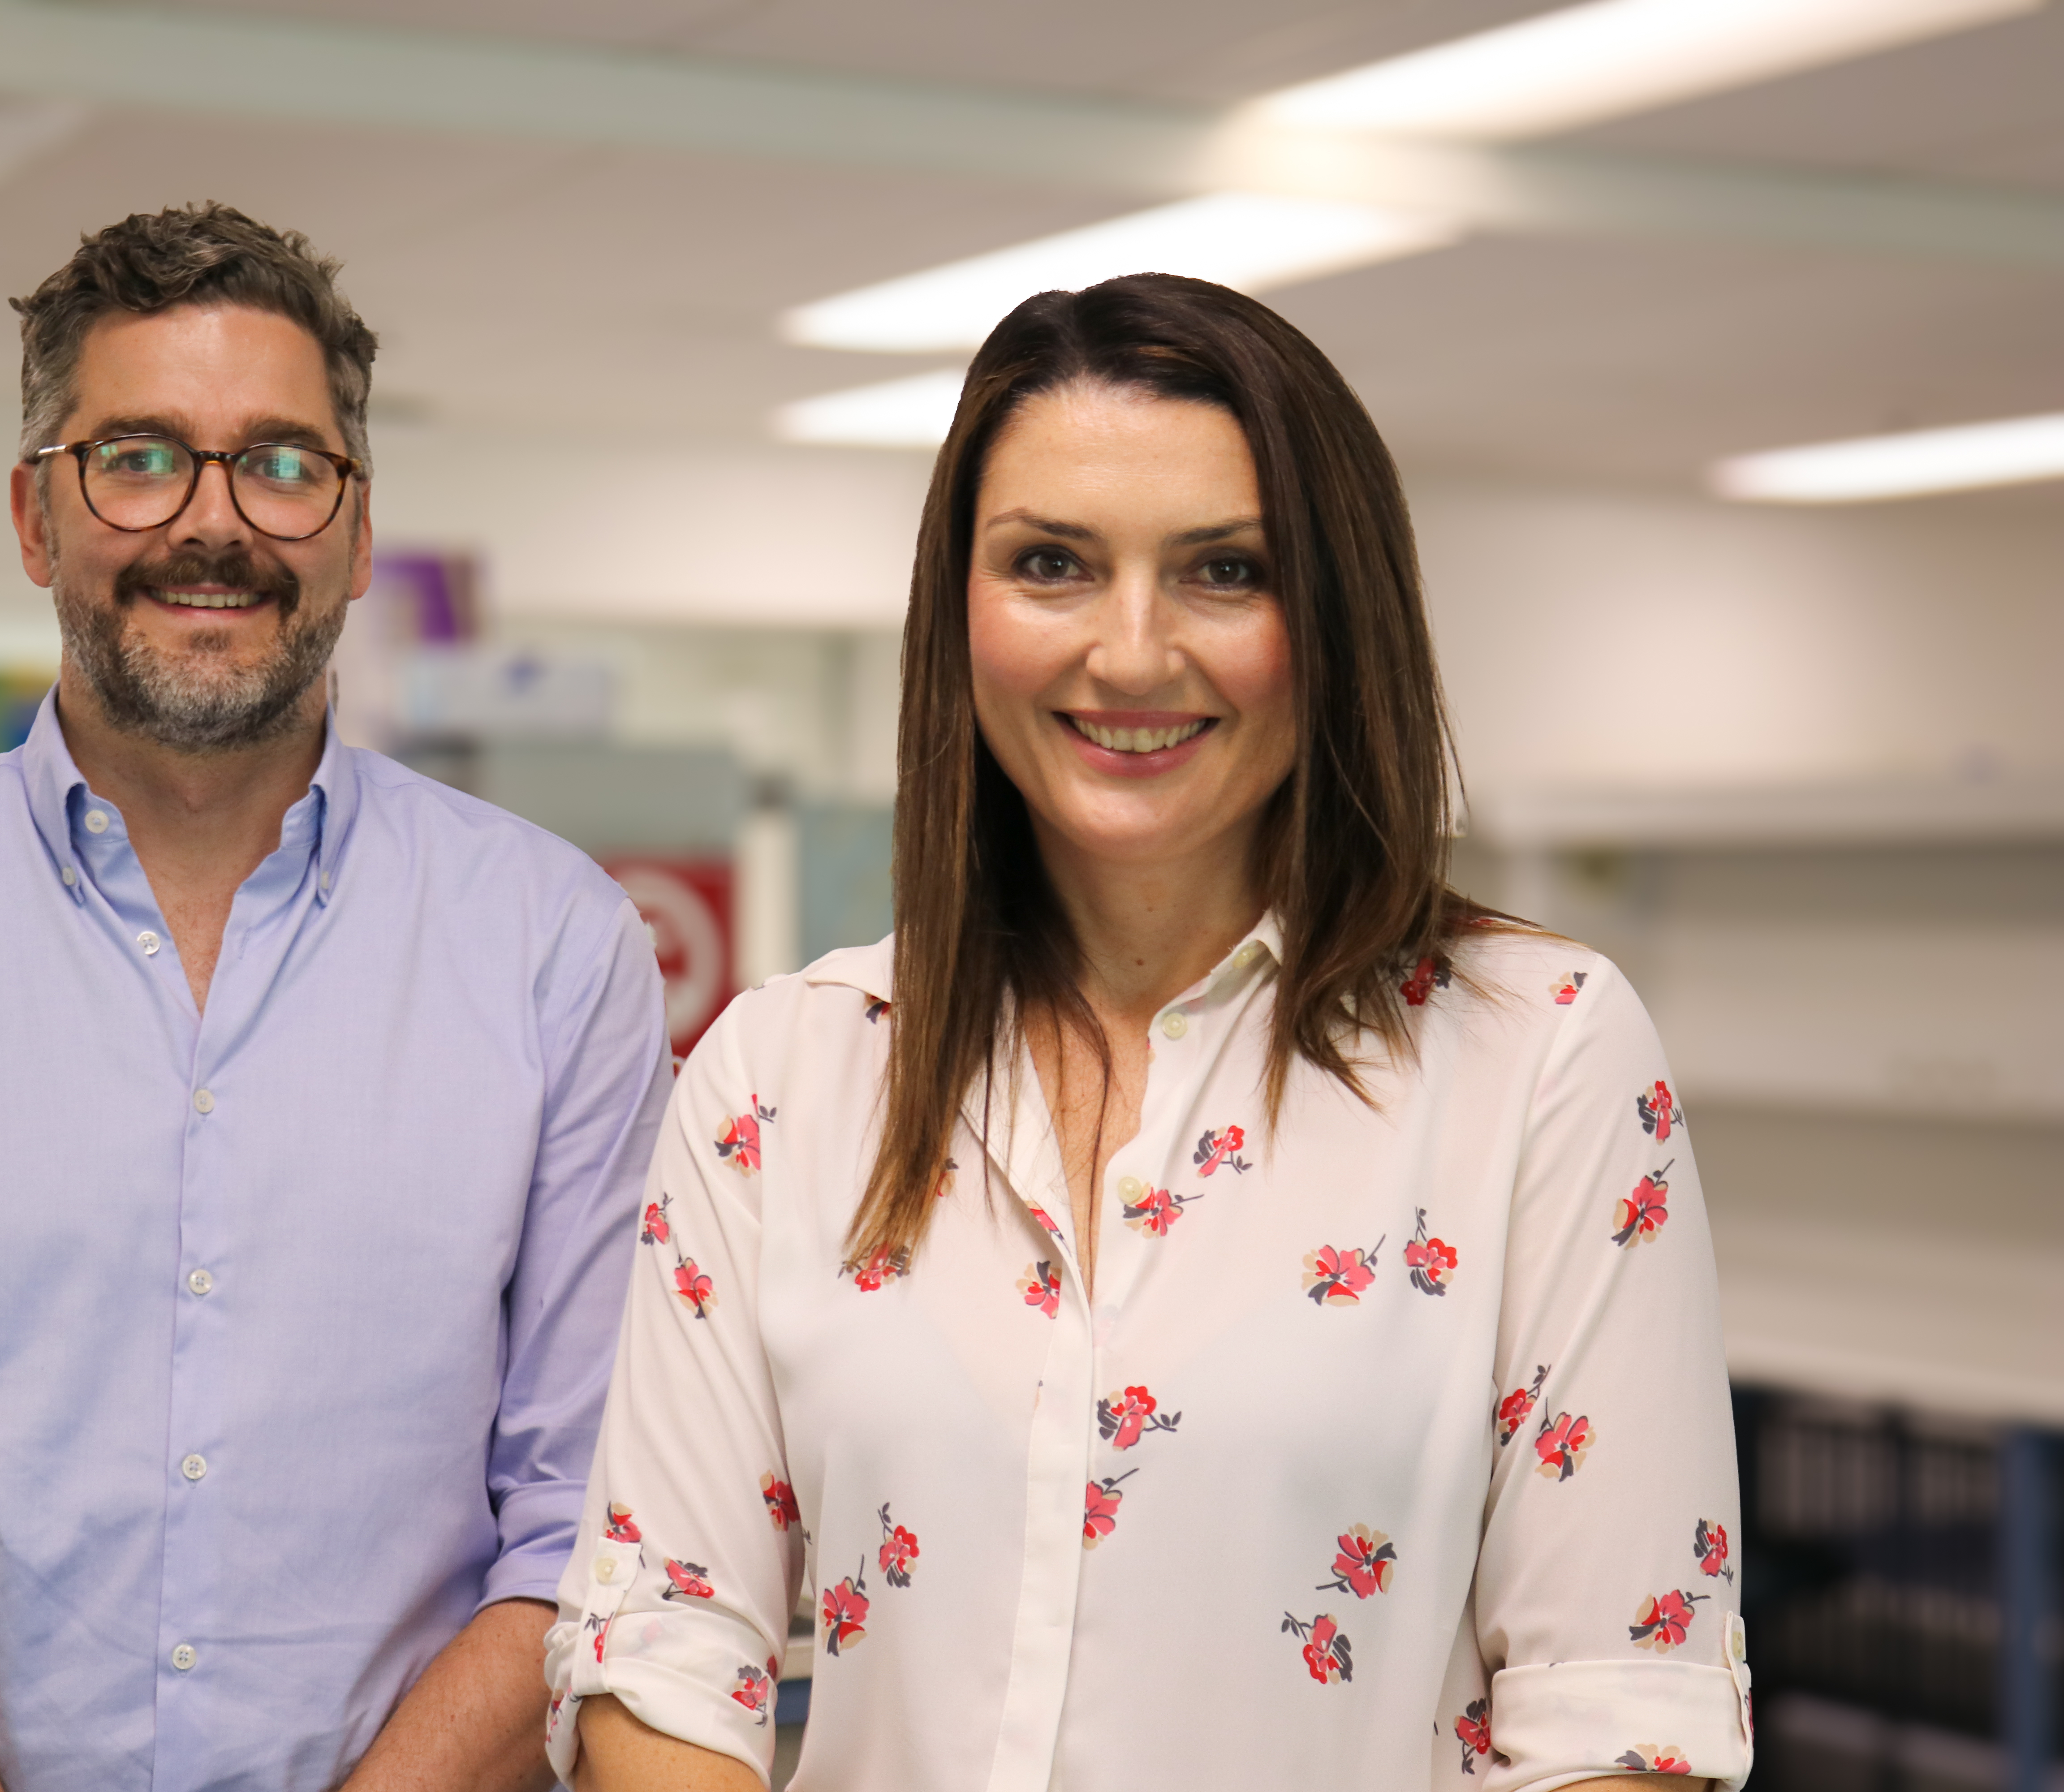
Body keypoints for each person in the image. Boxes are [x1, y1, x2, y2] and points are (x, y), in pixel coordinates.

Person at [546, 275, 1750, 1792]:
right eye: (1051, 563)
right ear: (957, 607)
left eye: (1225, 571)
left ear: (1335, 615)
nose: (1129, 652)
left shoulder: (1543, 1056)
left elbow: (1620, 1715)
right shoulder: (784, 1076)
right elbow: (661, 1647)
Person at [0, 204, 672, 1792]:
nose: (214, 524)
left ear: (352, 532)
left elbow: (591, 1531)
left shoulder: (556, 946)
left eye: (281, 464)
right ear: (34, 517)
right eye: (138, 456)